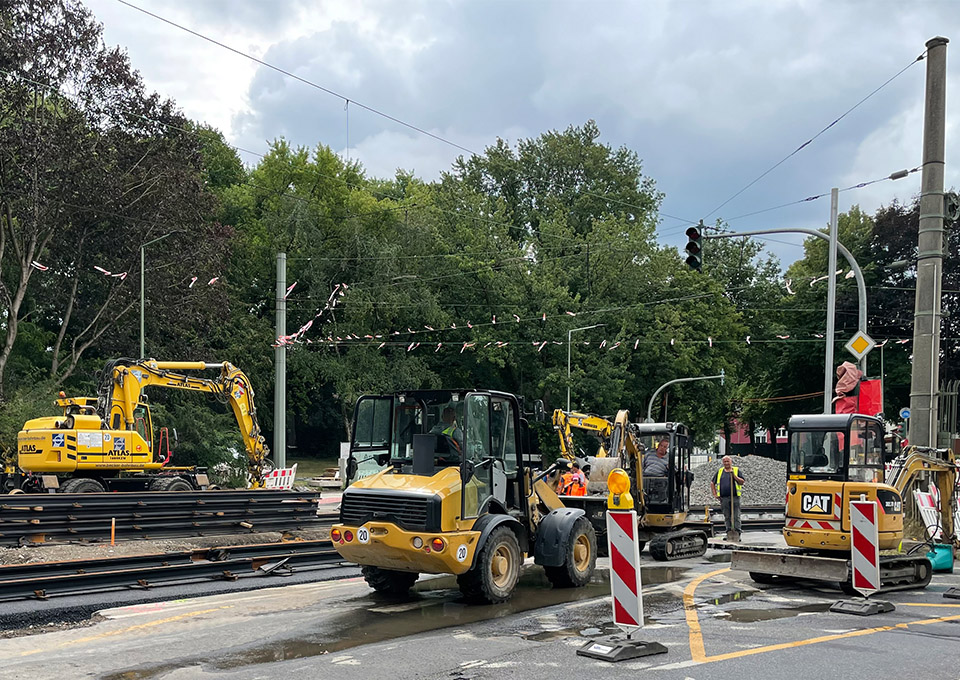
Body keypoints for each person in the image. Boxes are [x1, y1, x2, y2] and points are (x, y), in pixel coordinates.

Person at [711, 456, 745, 542]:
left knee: (736, 516)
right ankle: (728, 532)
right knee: (727, 516)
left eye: (728, 461)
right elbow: (712, 482)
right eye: (725, 462)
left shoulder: (736, 470)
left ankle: (737, 533)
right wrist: (715, 494)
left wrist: (734, 476)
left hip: (735, 497)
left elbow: (742, 482)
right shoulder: (720, 472)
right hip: (724, 498)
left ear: (731, 462)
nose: (726, 463)